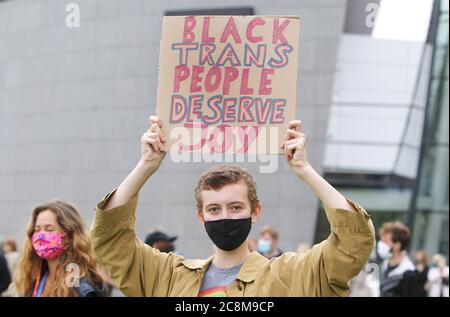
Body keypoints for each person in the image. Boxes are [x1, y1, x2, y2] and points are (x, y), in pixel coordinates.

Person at [91, 115, 375, 297]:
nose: (225, 217)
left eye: (236, 207)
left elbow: (353, 242)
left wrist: (304, 169)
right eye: (214, 209)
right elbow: (112, 241)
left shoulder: (289, 276)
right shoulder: (168, 276)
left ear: (256, 211)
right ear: (200, 216)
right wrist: (145, 166)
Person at [14, 200, 107, 297]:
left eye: (49, 229)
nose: (41, 236)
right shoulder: (34, 277)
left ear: (69, 236)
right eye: (37, 230)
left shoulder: (82, 286)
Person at [377, 221, 416, 296]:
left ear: (397, 245)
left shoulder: (409, 272)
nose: (382, 244)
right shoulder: (384, 265)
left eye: (385, 241)